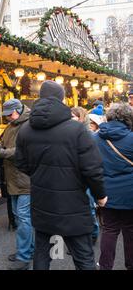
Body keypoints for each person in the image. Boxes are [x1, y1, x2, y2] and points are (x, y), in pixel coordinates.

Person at [15, 80, 107, 270]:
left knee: (42, 256)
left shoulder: (25, 130)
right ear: (62, 99)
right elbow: (92, 169)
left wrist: (41, 175)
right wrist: (100, 195)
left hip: (42, 202)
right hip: (73, 205)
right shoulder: (78, 129)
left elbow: (21, 164)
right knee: (83, 258)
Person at [0, 99, 33, 270]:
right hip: (13, 178)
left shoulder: (28, 124)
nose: (7, 118)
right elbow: (7, 145)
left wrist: (2, 152)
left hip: (24, 179)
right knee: (20, 216)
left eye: (10, 114)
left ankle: (24, 256)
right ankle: (28, 250)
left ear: (18, 110)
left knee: (23, 217)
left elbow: (24, 150)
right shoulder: (13, 124)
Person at [93, 103, 133, 270]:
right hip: (130, 192)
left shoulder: (95, 138)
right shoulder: (131, 138)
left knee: (109, 230)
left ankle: (105, 266)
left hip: (106, 192)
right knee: (130, 231)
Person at [71, 106, 100, 245]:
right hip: (73, 177)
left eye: (73, 116)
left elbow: (93, 161)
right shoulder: (70, 134)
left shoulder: (90, 135)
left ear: (81, 118)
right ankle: (80, 238)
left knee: (89, 208)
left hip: (86, 177)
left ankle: (92, 234)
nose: (70, 119)